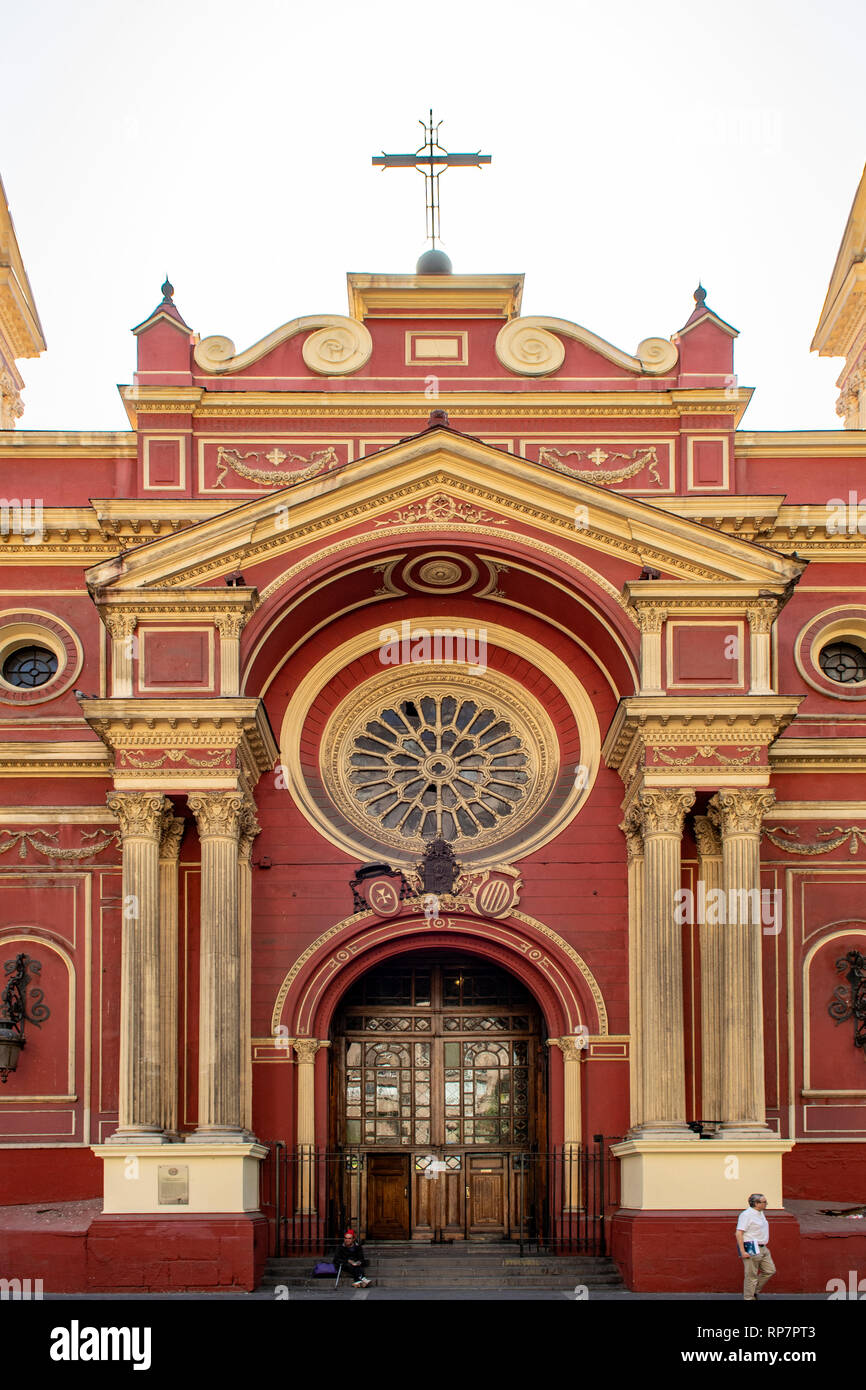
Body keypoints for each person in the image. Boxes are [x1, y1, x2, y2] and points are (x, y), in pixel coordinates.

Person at [736, 1193, 775, 1300]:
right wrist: (743, 1251)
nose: (766, 1204)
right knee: (751, 1275)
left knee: (770, 1270)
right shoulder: (746, 1215)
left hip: (763, 1247)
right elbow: (739, 1233)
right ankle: (749, 1297)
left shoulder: (760, 1213)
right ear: (756, 1203)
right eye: (764, 1202)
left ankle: (753, 1291)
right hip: (751, 1247)